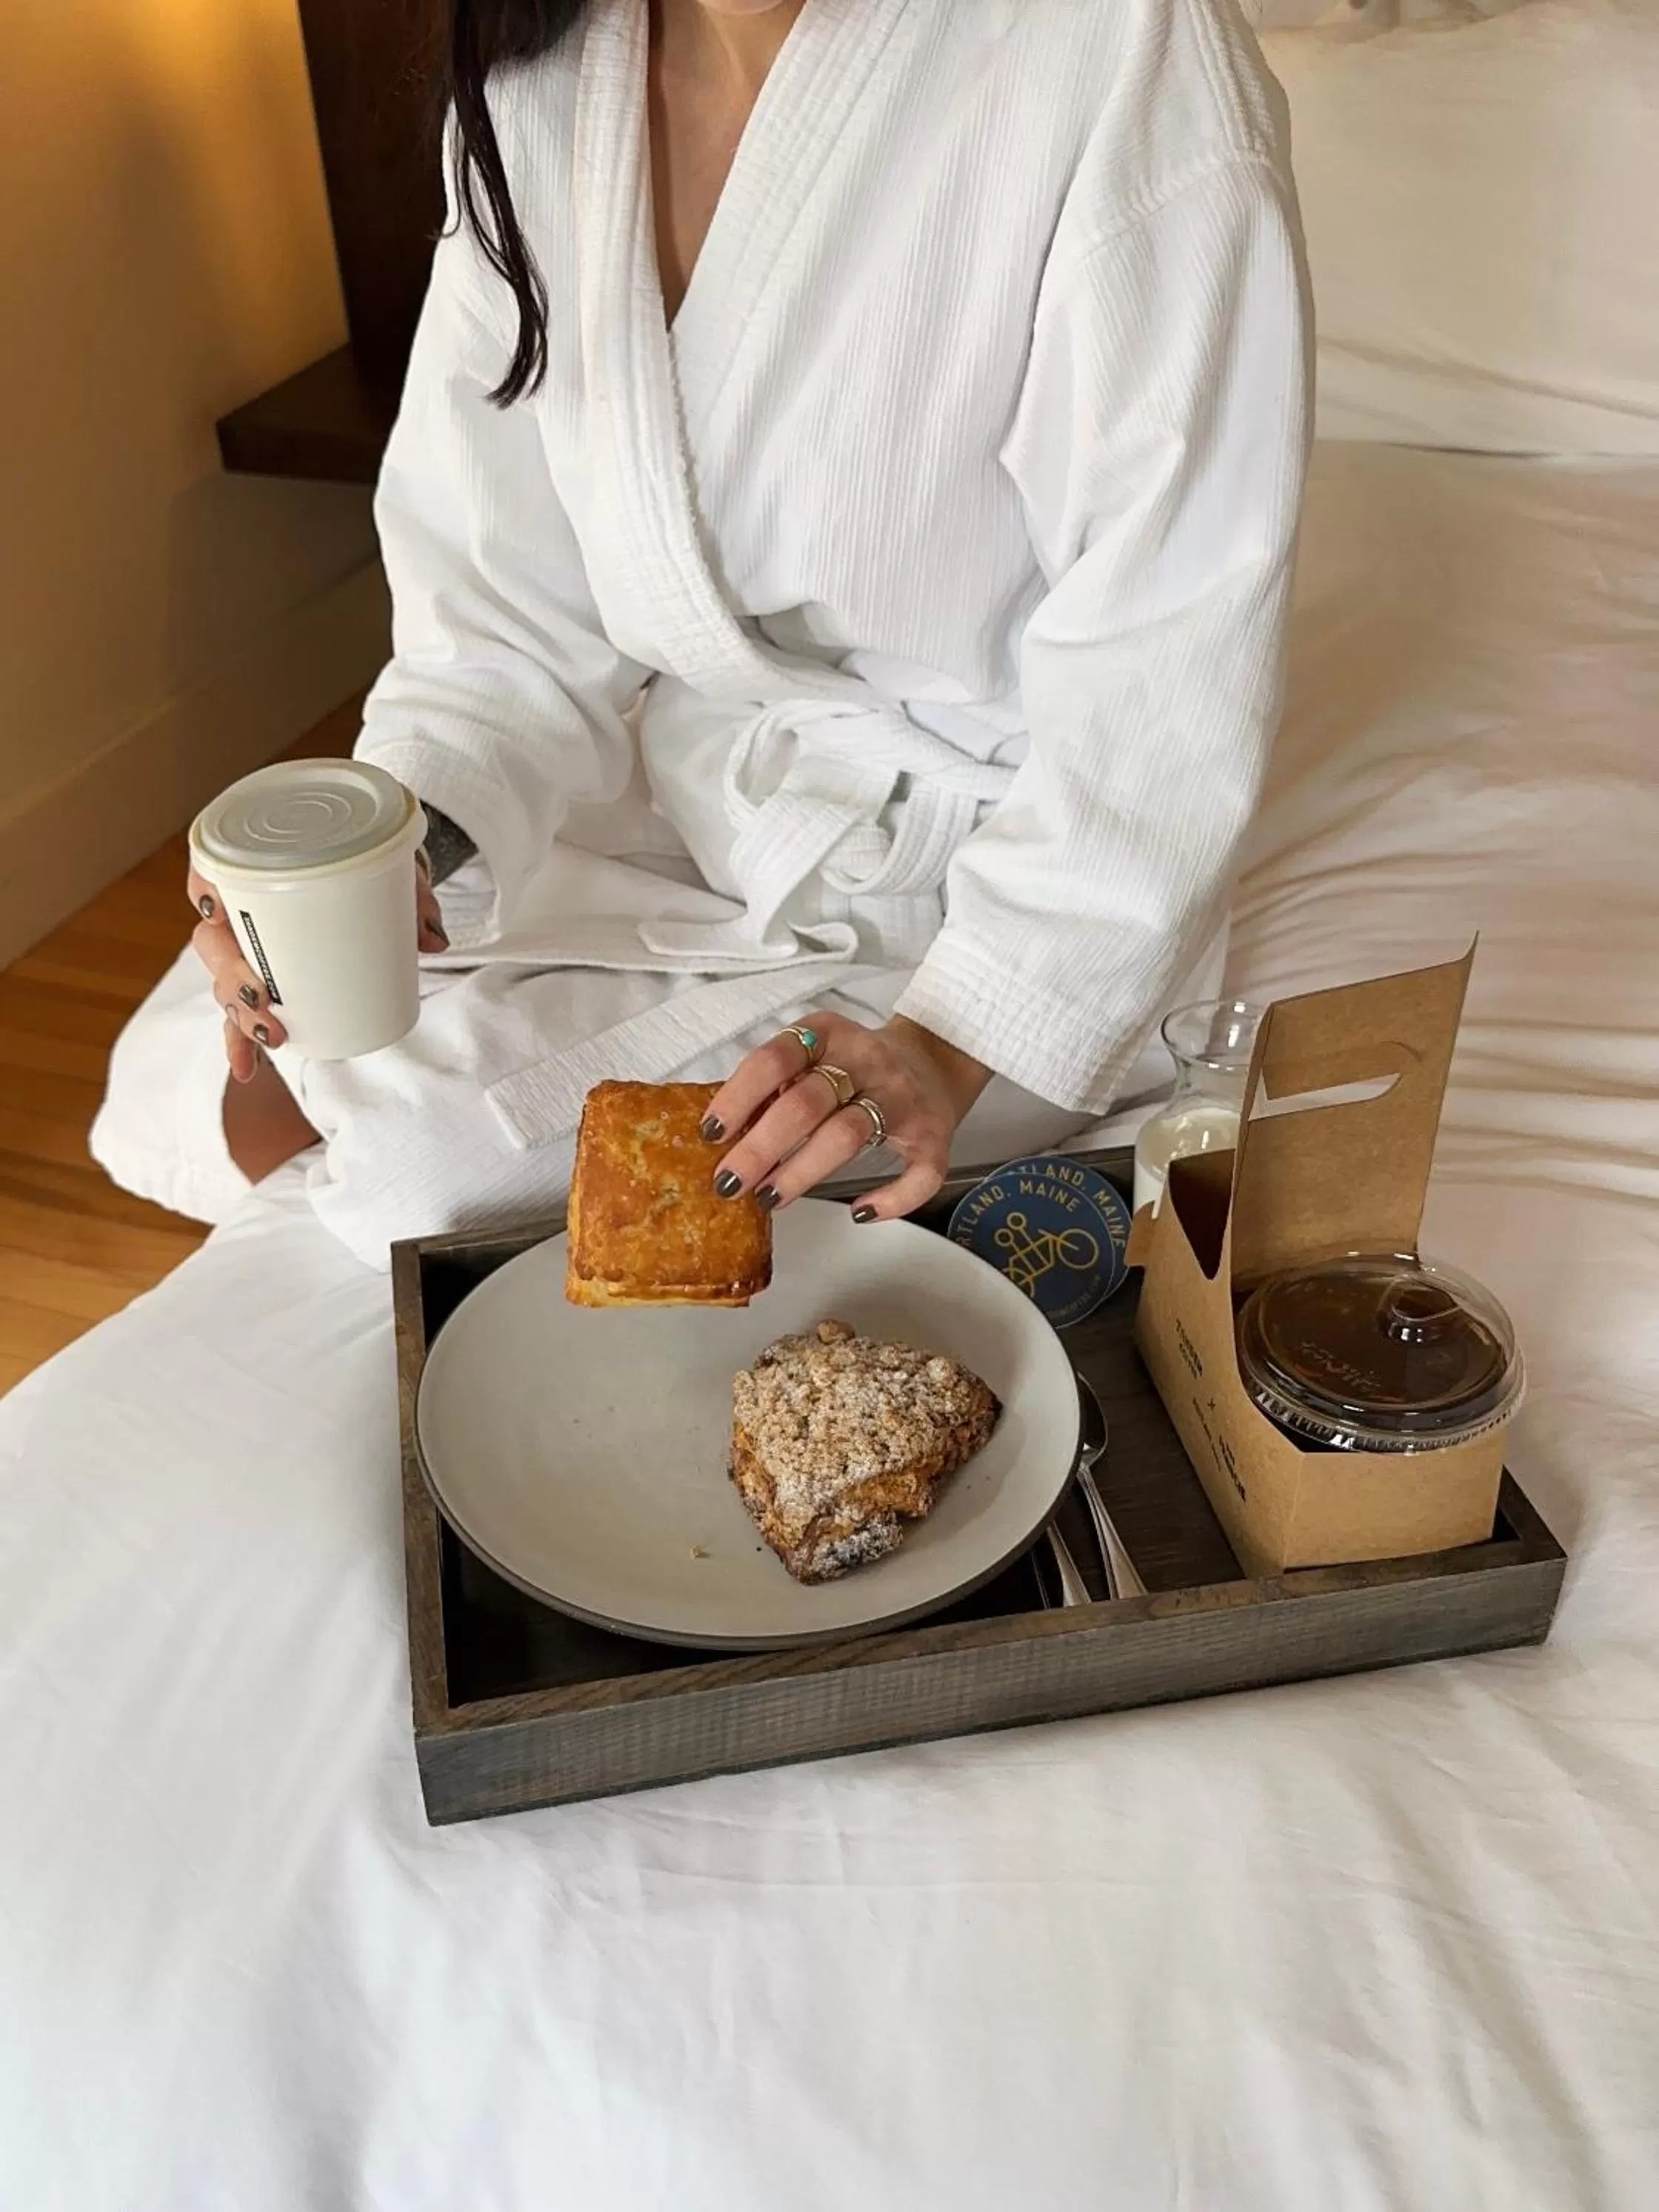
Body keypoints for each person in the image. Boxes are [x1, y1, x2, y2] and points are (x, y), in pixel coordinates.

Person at [94, 0, 1311, 1265]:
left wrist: (945, 1050)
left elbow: (1168, 656)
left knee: (425, 1169)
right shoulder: (539, 75)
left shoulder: (1122, 48)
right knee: (227, 1036)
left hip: (993, 884)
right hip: (694, 793)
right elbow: (503, 612)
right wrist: (394, 845)